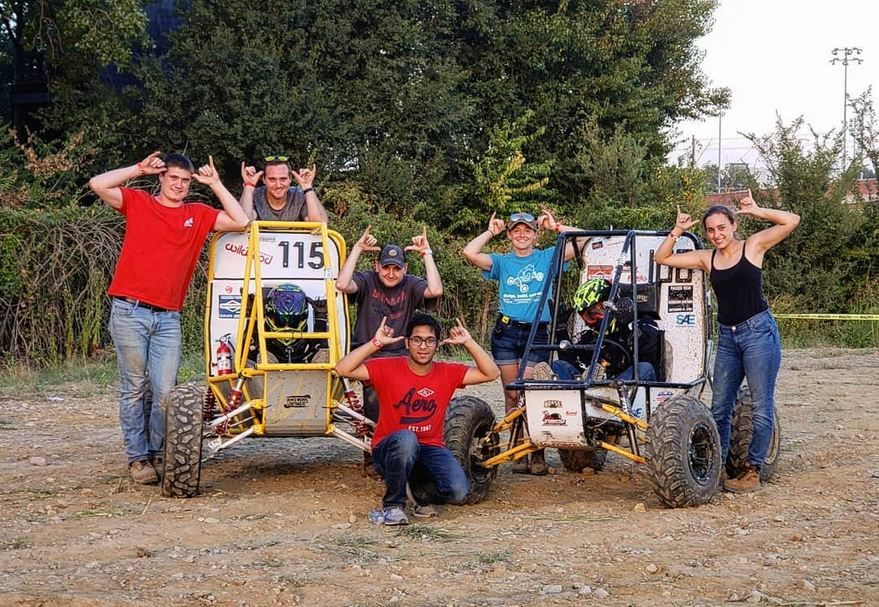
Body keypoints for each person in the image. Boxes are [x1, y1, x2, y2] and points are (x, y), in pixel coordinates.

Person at [89, 152, 249, 485]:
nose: (178, 185)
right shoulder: (139, 202)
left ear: (191, 184)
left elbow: (240, 221)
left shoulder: (197, 214)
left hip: (168, 317)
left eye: (185, 180)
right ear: (162, 179)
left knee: (165, 390)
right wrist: (138, 169)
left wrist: (216, 183)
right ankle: (138, 459)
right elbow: (98, 183)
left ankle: (160, 452)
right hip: (130, 310)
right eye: (173, 178)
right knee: (133, 388)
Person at [654, 191, 799, 493]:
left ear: (733, 225)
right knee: (720, 406)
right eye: (710, 230)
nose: (716, 234)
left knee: (760, 405)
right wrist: (678, 230)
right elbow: (662, 257)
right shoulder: (708, 259)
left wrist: (758, 211)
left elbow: (791, 220)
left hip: (758, 332)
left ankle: (752, 469)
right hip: (728, 337)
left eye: (722, 227)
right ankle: (716, 467)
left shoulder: (754, 246)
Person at [334, 313, 500, 525]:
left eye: (430, 340)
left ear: (437, 345)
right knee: (407, 439)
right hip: (391, 447)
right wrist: (376, 343)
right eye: (417, 340)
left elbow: (491, 373)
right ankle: (393, 506)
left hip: (430, 448)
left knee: (459, 491)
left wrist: (469, 343)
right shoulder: (387, 367)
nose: (423, 346)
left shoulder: (446, 372)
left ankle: (419, 493)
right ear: (407, 342)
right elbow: (342, 369)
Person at [463, 209, 582, 475]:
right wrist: (489, 232)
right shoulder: (502, 262)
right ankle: (517, 451)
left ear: (535, 235)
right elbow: (470, 253)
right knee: (511, 393)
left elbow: (584, 241)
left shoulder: (548, 256)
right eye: (516, 230)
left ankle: (536, 451)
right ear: (509, 235)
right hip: (507, 333)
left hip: (537, 333)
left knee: (530, 393)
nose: (521, 234)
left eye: (527, 230)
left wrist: (556, 226)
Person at [335, 225, 443, 476]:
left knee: (405, 409)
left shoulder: (411, 284)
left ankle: (407, 456)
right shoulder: (366, 279)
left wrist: (427, 253)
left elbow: (435, 290)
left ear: (405, 269)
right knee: (373, 409)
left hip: (402, 356)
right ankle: (373, 458)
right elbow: (342, 284)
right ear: (377, 266)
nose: (391, 273)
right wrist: (357, 249)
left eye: (396, 268)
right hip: (370, 354)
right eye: (386, 267)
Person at [534, 278, 662, 382]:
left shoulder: (644, 324)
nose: (597, 318)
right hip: (596, 385)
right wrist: (561, 330)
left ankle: (598, 389)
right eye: (591, 315)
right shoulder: (590, 337)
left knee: (644, 368)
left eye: (600, 310)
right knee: (559, 365)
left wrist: (625, 323)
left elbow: (646, 352)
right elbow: (574, 364)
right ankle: (564, 390)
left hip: (632, 387)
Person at [239, 156, 328, 223]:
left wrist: (308, 188)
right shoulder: (254, 195)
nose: (278, 185)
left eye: (283, 179)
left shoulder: (299, 195)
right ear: (264, 179)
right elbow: (243, 222)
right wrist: (249, 186)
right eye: (272, 179)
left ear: (290, 179)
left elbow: (320, 225)